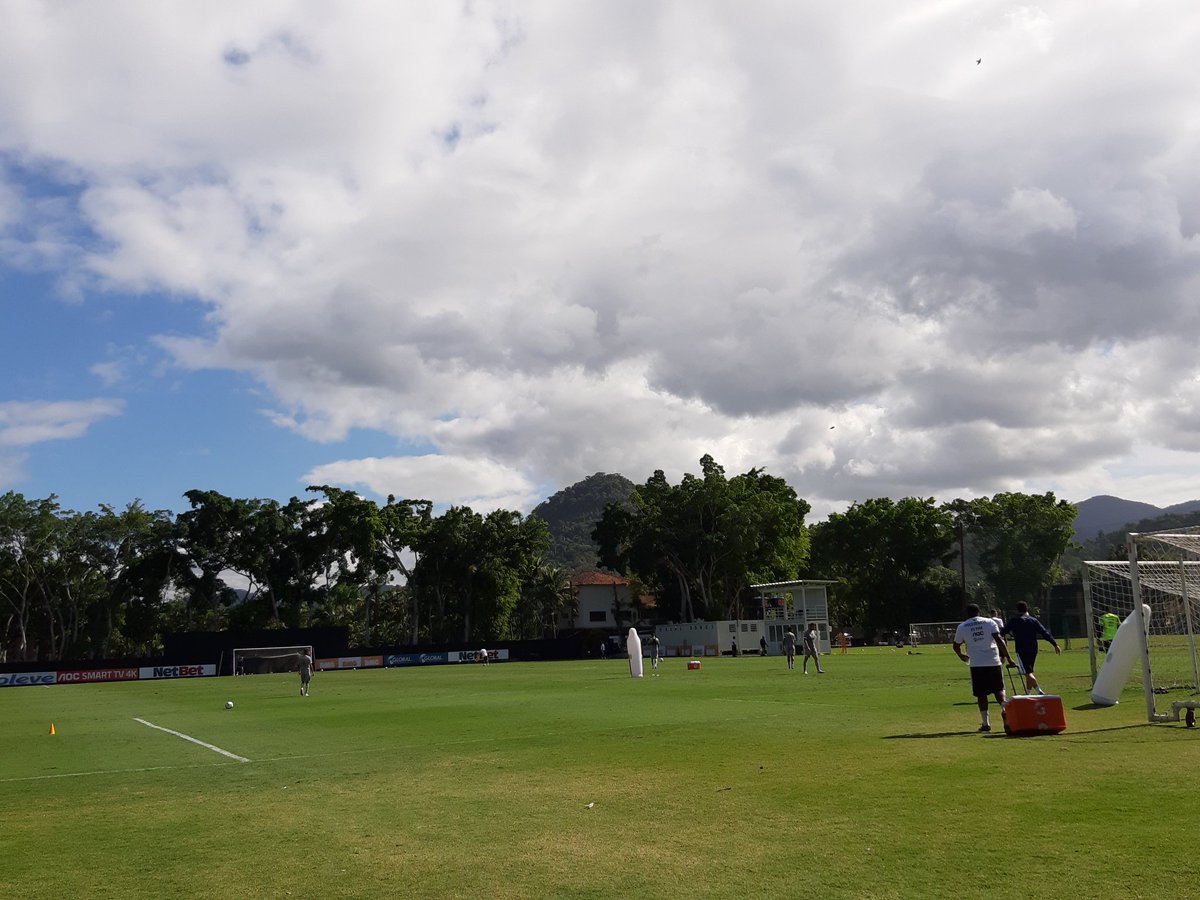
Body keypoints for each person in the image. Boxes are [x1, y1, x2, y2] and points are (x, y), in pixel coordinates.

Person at [953, 603, 1014, 732]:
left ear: (967, 613)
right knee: (999, 689)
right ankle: (1004, 708)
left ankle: (986, 723)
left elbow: (956, 645)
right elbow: (999, 640)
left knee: (981, 694)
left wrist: (961, 655)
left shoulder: (963, 626)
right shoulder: (990, 622)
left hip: (976, 663)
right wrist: (1008, 658)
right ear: (979, 611)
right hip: (993, 661)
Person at [1001, 601, 1060, 695]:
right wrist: (1055, 644)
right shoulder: (1033, 620)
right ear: (1026, 609)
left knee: (1027, 672)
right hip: (1033, 649)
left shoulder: (1014, 621)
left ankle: (1039, 691)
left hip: (1021, 650)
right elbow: (1044, 633)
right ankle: (1028, 693)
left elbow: (1002, 632)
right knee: (1029, 671)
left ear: (1017, 610)